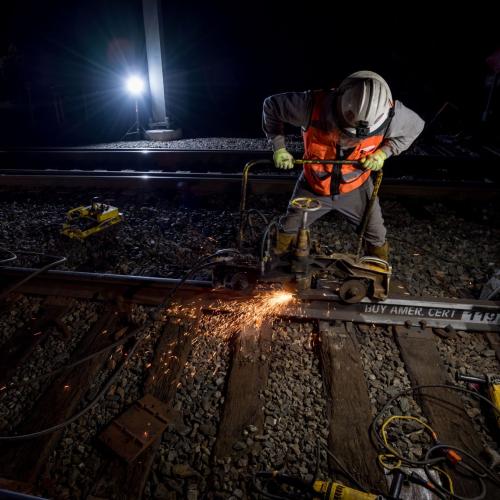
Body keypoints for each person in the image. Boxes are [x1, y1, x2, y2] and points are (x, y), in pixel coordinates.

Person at [262, 70, 425, 261]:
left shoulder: (393, 115)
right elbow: (271, 106)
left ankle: (378, 272)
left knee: (376, 235)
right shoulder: (310, 105)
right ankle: (273, 264)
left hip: (357, 188)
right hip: (313, 186)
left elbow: (416, 127)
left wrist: (383, 153)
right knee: (288, 228)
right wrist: (279, 148)